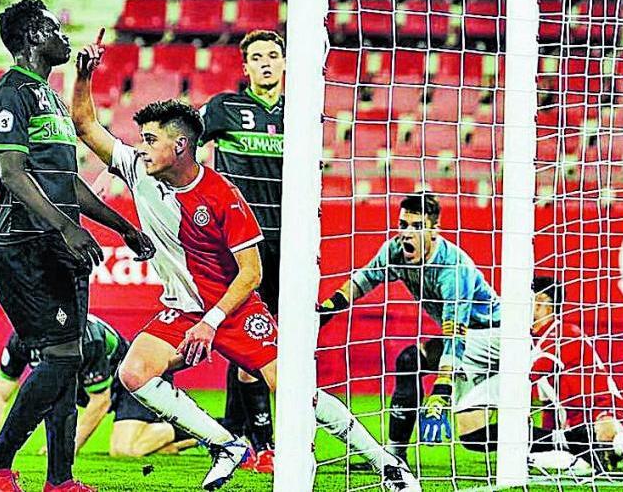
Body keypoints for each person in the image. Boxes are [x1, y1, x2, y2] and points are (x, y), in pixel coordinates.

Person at [72, 42, 419, 492]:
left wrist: (212, 322)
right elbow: (84, 124)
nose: (141, 148)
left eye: (150, 140)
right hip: (182, 309)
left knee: (294, 391)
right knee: (133, 372)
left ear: (180, 146)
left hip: (232, 309)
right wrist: (84, 74)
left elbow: (251, 274)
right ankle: (226, 444)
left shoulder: (223, 198)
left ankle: (385, 464)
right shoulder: (139, 170)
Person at [0, 0, 155, 492]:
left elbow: (67, 182)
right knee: (63, 358)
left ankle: (60, 479)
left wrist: (122, 226)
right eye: (54, 27)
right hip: (25, 246)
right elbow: (13, 174)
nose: (63, 34)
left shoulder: (48, 97)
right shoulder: (10, 94)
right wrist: (67, 229)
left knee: (68, 362)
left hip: (58, 249)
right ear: (32, 36)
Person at [318, 192, 502, 463]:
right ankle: (556, 441)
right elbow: (364, 279)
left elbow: (455, 333)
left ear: (434, 230)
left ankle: (393, 456)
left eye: (417, 227)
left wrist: (441, 389)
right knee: (473, 437)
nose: (407, 233)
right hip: (471, 341)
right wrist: (327, 309)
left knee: (411, 359)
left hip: (494, 336)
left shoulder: (453, 267)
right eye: (403, 225)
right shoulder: (395, 250)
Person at [499, 278, 623, 476]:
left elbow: (530, 374)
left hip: (602, 408)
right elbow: (547, 402)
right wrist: (550, 437)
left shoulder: (565, 334)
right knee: (546, 452)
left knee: (607, 433)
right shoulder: (534, 343)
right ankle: (584, 460)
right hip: (574, 422)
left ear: (542, 302)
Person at [198, 30, 285, 470]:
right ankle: (265, 445)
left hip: (293, 243)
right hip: (242, 245)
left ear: (286, 63)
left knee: (282, 344)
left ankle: (242, 434)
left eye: (273, 55)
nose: (266, 63)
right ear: (245, 67)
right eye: (257, 57)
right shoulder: (224, 108)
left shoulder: (303, 111)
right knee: (251, 341)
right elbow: (180, 142)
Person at [0, 314, 196, 459]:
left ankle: (190, 429)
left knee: (125, 450)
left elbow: (100, 401)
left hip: (132, 378)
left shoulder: (87, 339)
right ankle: (163, 440)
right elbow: (0, 394)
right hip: (91, 385)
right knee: (142, 446)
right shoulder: (20, 340)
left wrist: (68, 448)